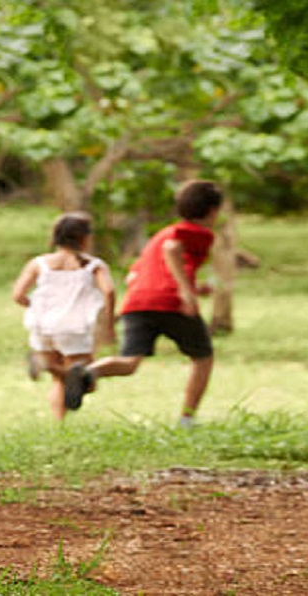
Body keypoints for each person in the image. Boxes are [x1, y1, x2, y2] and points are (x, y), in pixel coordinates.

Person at [63, 180, 225, 429]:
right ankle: (187, 419)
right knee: (203, 358)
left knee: (130, 363)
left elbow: (134, 274)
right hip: (171, 302)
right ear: (213, 210)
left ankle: (88, 373)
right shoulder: (197, 232)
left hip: (138, 302)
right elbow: (173, 251)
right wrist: (186, 292)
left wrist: (192, 287)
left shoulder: (160, 236)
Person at [11, 212, 115, 420]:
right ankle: (47, 367)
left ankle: (59, 421)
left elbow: (18, 295)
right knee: (88, 381)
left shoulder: (39, 263)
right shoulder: (94, 266)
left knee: (61, 380)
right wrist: (109, 322)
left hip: (42, 325)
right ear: (85, 238)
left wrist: (37, 306)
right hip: (74, 328)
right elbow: (109, 291)